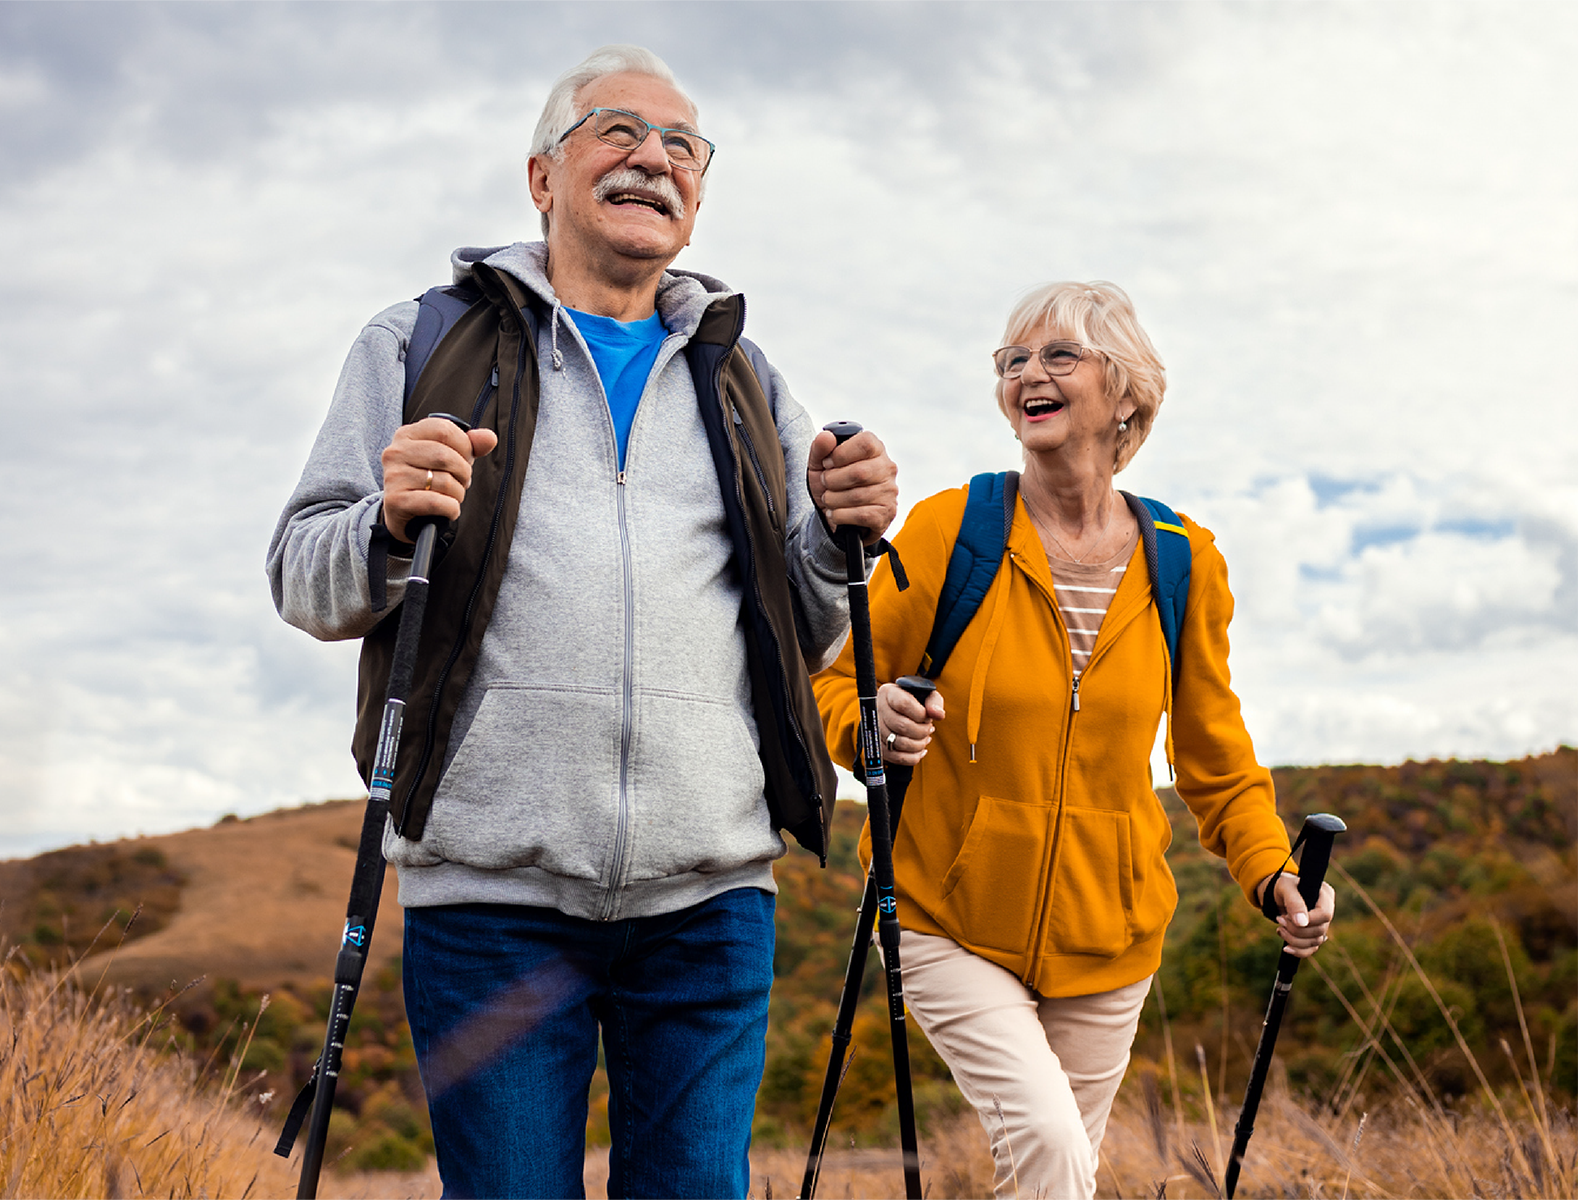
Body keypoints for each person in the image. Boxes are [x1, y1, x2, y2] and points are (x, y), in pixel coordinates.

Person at [266, 44, 897, 1199]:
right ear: (541, 177)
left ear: (696, 200)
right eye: (616, 130)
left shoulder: (743, 374)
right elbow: (304, 575)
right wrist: (390, 523)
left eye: (682, 148)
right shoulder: (420, 343)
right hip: (490, 896)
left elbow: (808, 635)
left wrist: (832, 537)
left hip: (709, 903)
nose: (652, 158)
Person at [811, 281, 1335, 1197]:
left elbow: (1215, 756)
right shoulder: (952, 531)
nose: (1028, 376)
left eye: (1058, 355)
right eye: (1012, 361)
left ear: (1124, 389)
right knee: (1052, 1147)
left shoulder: (1184, 559)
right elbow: (836, 683)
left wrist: (1270, 870)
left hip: (1110, 939)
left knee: (1055, 1178)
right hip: (945, 915)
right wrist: (872, 723)